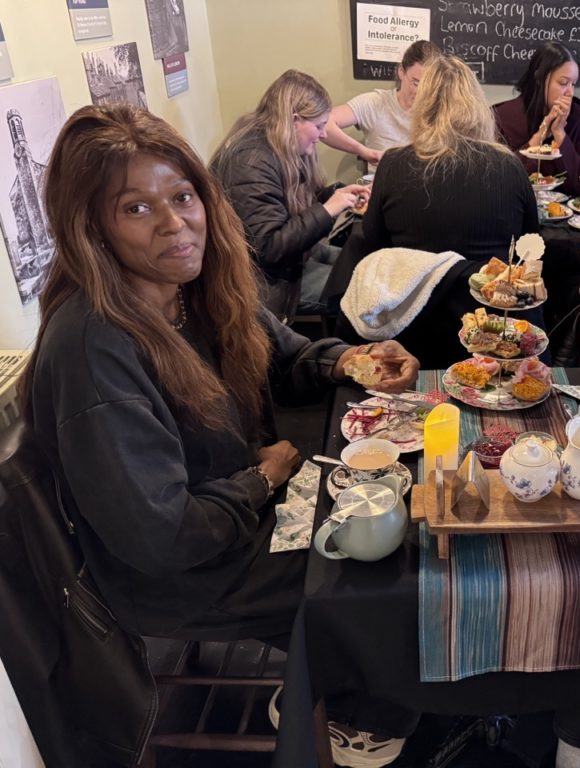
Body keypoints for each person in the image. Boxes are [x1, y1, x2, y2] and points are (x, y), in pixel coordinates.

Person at [22, 104, 420, 766]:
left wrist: (350, 360)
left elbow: (285, 354)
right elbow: (163, 536)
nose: (175, 222)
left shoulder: (191, 287)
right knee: (380, 574)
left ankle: (329, 677)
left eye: (181, 196)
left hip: (235, 510)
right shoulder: (92, 347)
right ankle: (344, 710)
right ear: (91, 228)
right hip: (181, 572)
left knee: (391, 503)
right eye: (136, 209)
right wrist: (264, 477)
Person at [210, 70, 369, 322]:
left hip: (292, 261)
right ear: (294, 120)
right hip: (261, 282)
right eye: (318, 126)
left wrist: (336, 195)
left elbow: (286, 211)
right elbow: (270, 248)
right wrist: (329, 210)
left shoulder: (274, 145)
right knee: (366, 291)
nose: (324, 135)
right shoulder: (251, 162)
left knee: (368, 267)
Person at [361, 54, 539, 261]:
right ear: (476, 104)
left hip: (412, 290)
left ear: (422, 104)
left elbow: (373, 240)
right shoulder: (509, 166)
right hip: (487, 290)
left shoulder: (392, 163)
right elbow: (530, 243)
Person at [323, 39, 440, 172]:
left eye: (428, 85)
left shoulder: (440, 111)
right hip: (380, 188)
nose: (421, 92)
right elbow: (324, 124)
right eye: (416, 83)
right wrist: (363, 151)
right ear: (401, 71)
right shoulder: (376, 103)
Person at [493, 42, 580, 196]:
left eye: (574, 84)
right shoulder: (503, 117)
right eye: (563, 83)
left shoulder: (579, 118)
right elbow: (501, 181)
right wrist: (540, 136)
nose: (570, 92)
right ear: (540, 79)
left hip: (566, 215)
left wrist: (559, 134)